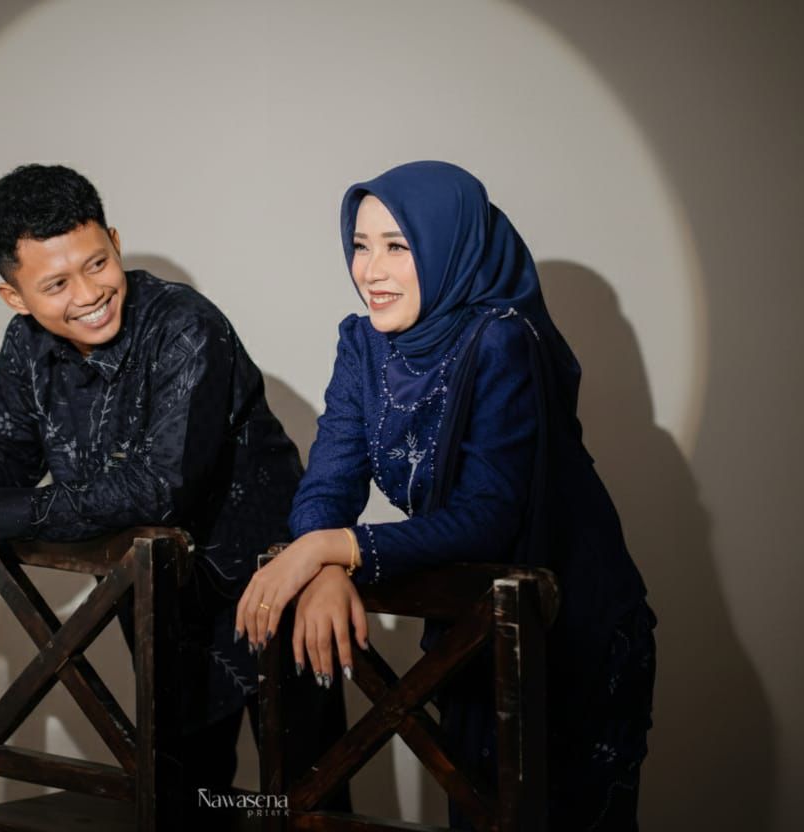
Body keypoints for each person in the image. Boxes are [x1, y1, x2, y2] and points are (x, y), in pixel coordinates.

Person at [0, 163, 346, 814]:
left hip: (276, 585)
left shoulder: (186, 324)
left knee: (309, 804)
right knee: (187, 803)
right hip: (162, 600)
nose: (88, 294)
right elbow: (8, 457)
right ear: (13, 297)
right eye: (55, 284)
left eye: (97, 264)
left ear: (114, 239)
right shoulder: (23, 343)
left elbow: (159, 488)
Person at [235, 161, 656, 829]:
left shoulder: (502, 341)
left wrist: (328, 547)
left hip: (569, 625)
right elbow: (329, 479)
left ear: (449, 246)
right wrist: (324, 565)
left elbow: (486, 519)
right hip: (473, 623)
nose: (370, 271)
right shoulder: (363, 345)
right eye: (360, 245)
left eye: (397, 246)